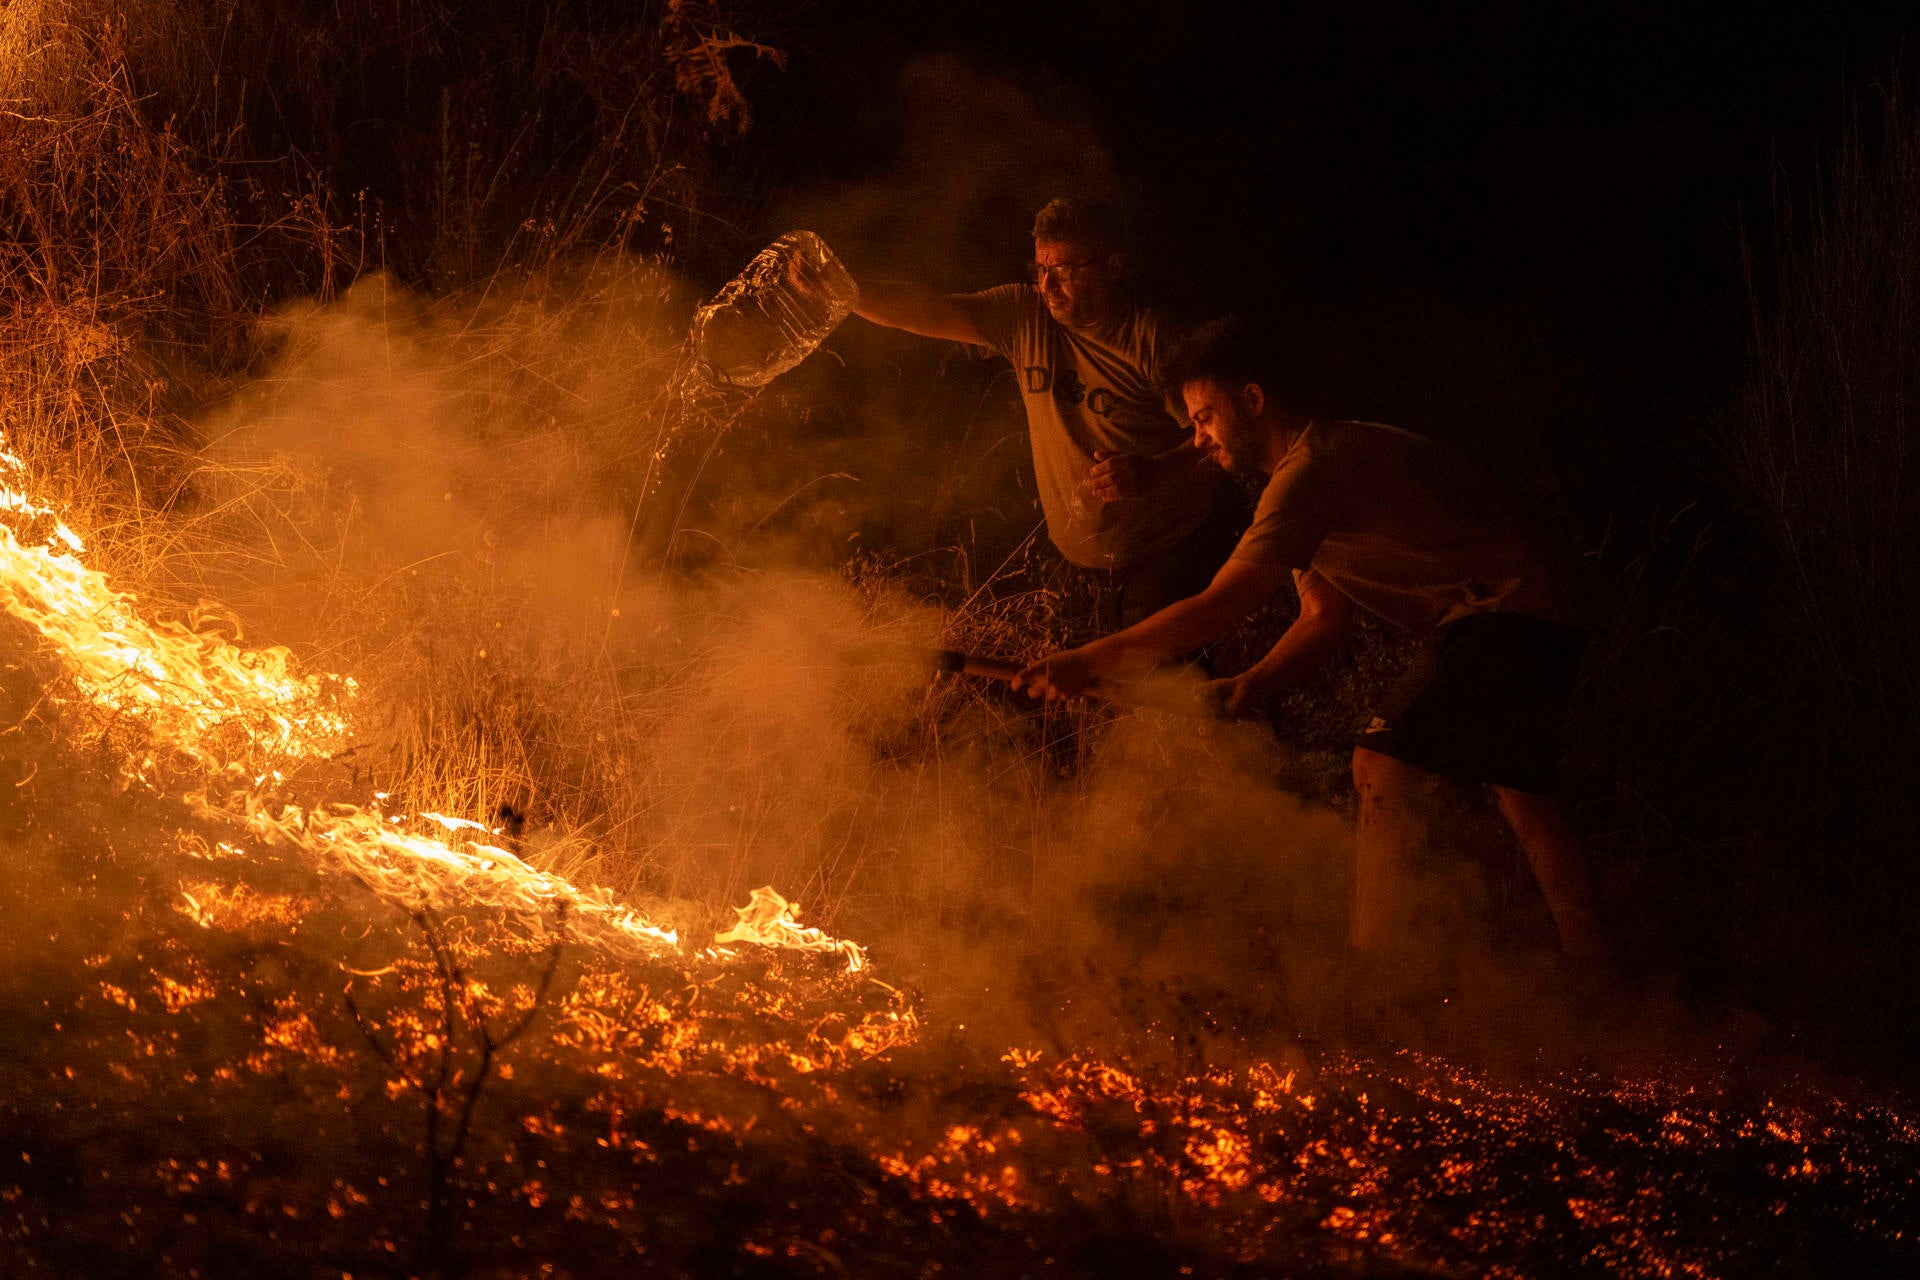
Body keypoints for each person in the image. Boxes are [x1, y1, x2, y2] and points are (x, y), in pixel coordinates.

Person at [1011, 316, 1610, 964]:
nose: (1199, 438)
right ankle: (1595, 972)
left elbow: (1224, 602)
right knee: (1524, 794)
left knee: (1380, 763)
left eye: (1206, 417)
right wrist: (1254, 682)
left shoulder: (1311, 470)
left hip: (1507, 608)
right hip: (1533, 610)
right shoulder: (1301, 479)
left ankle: (1375, 975)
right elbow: (1324, 615)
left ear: (1253, 400)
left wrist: (1088, 658)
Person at [848, 198, 1240, 631]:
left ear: (1112, 266)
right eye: (1040, 270)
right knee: (1086, 690)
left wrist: (1156, 471)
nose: (1048, 286)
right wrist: (841, 289)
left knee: (1163, 686)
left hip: (1165, 550)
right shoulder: (1024, 316)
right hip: (1080, 563)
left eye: (1065, 272)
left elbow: (1227, 436)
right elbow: (929, 308)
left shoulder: (1152, 341)